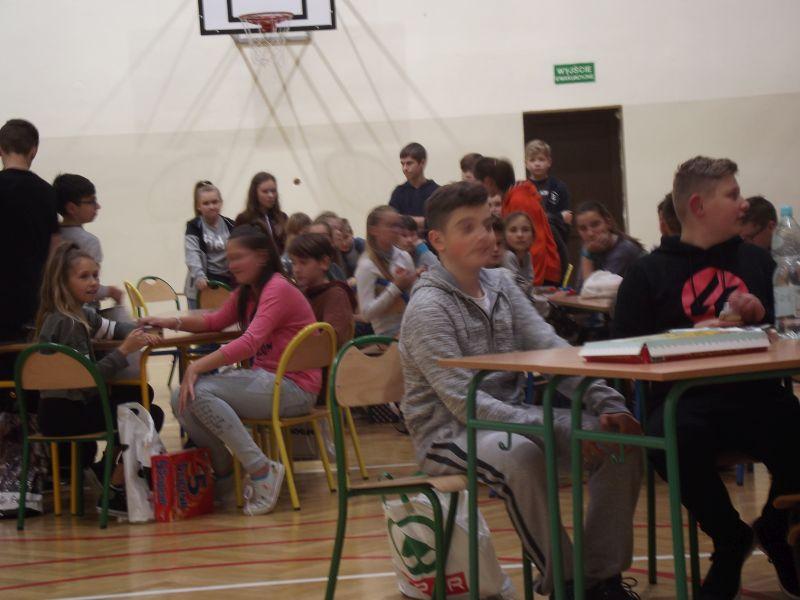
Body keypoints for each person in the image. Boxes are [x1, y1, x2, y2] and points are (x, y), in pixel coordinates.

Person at [400, 181, 642, 598]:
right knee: (522, 454)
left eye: (487, 224)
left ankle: (600, 577)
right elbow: (464, 404)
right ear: (437, 240)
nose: (485, 236)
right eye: (467, 227)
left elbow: (550, 347)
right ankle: (568, 584)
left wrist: (606, 401)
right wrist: (551, 426)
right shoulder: (428, 307)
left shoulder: (501, 283)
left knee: (619, 440)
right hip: (447, 433)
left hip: (510, 420)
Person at [613, 156, 800, 599]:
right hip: (683, 405)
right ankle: (730, 538)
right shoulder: (646, 273)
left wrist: (762, 319)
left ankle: (774, 527)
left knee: (795, 426)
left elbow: (788, 331)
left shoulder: (759, 261)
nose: (743, 204)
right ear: (698, 206)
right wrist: (687, 337)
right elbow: (623, 352)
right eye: (732, 195)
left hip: (755, 397)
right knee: (670, 441)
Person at [141, 222, 320, 516]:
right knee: (180, 397)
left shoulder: (277, 288)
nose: (230, 264)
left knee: (199, 391)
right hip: (269, 382)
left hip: (294, 388)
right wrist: (169, 321)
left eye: (237, 257)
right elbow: (213, 321)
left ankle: (261, 469)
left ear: (261, 256)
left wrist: (198, 366)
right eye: (229, 258)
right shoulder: (247, 291)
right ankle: (225, 475)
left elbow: (250, 343)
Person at [35, 242, 163, 516]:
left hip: (60, 410)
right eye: (84, 277)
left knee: (141, 396)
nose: (93, 282)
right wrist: (124, 350)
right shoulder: (68, 323)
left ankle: (107, 471)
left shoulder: (79, 315)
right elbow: (88, 378)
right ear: (63, 283)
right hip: (66, 413)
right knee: (149, 413)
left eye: (96, 275)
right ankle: (114, 486)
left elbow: (114, 327)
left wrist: (143, 329)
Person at [0, 119, 59, 345]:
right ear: (34, 150)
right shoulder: (46, 192)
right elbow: (55, 248)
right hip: (32, 298)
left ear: (1, 149)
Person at [474, 157, 562, 286]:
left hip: (542, 275)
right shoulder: (510, 199)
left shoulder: (519, 200)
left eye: (478, 183)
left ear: (487, 181)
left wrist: (533, 285)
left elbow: (535, 244)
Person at [53, 173, 123, 308]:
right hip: (83, 314)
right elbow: (90, 287)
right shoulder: (89, 242)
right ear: (71, 208)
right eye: (91, 201)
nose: (98, 206)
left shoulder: (52, 236)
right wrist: (111, 292)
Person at [354, 206, 416, 337]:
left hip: (413, 322)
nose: (397, 230)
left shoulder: (404, 256)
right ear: (374, 230)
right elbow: (366, 315)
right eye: (391, 226)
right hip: (388, 334)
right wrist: (396, 287)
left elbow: (416, 295)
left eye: (398, 225)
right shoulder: (366, 266)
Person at [288, 233, 356, 349]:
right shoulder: (300, 293)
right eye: (293, 263)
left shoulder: (335, 295)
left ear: (324, 263)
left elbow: (332, 340)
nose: (296, 269)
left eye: (303, 262)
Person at [184, 181, 235, 309]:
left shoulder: (231, 225)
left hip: (226, 283)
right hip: (202, 285)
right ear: (198, 206)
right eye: (206, 203)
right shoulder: (194, 226)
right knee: (199, 319)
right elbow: (192, 253)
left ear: (221, 203)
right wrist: (199, 276)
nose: (211, 206)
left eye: (214, 202)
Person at [574, 201, 645, 286]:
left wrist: (586, 255)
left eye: (595, 225)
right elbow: (579, 288)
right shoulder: (592, 248)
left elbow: (594, 290)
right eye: (583, 229)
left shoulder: (625, 249)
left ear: (608, 223)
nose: (590, 233)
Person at [525, 139, 573, 234]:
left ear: (549, 162)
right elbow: (525, 218)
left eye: (541, 159)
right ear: (526, 164)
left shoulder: (558, 187)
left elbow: (567, 218)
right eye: (532, 160)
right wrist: (558, 217)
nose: (537, 164)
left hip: (555, 236)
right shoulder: (522, 189)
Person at [389, 142, 439, 230]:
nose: (404, 168)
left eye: (409, 163)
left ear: (422, 163)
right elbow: (392, 222)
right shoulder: (398, 192)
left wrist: (404, 220)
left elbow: (438, 223)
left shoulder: (437, 192)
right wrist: (423, 222)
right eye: (402, 164)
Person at [235, 172, 288, 254]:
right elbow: (240, 249)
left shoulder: (282, 217)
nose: (271, 195)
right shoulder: (244, 219)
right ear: (255, 193)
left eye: (273, 191)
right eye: (265, 191)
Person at [502, 211, 535, 291]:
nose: (520, 235)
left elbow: (529, 284)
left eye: (525, 230)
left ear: (533, 235)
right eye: (513, 230)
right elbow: (515, 290)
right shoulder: (507, 256)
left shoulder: (527, 255)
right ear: (504, 235)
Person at [280, 211, 312, 277]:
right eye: (296, 233)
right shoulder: (285, 261)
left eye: (306, 233)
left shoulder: (312, 255)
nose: (300, 237)